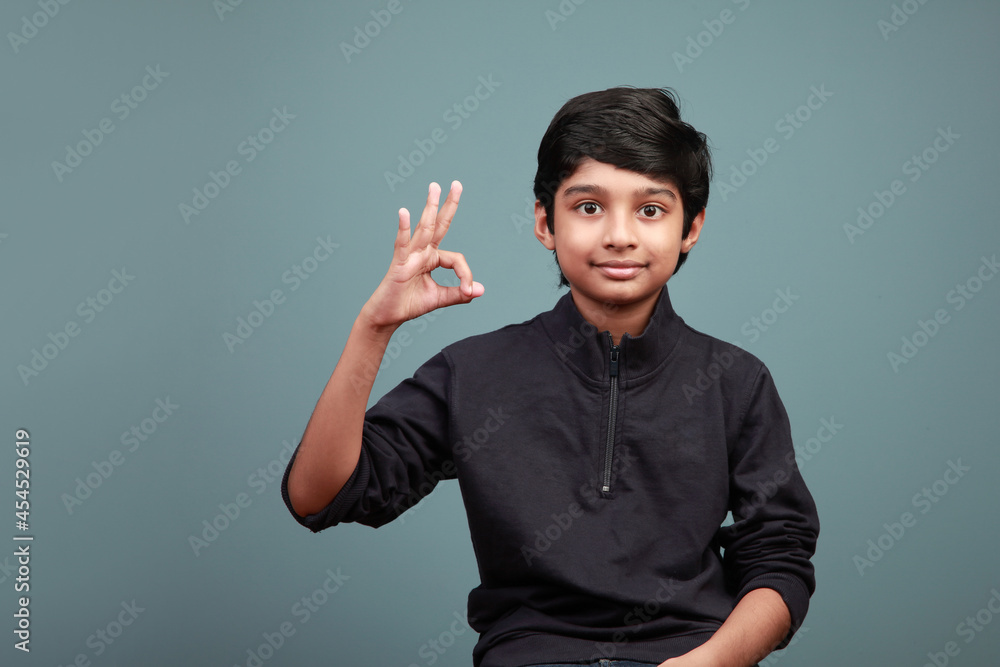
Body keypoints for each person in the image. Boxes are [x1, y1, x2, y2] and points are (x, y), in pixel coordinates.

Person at [281, 86, 819, 667]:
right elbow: (319, 495)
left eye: (651, 209)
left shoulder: (736, 383)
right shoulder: (475, 371)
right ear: (545, 221)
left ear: (691, 227)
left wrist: (709, 664)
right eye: (589, 207)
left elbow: (779, 559)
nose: (619, 235)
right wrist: (373, 328)